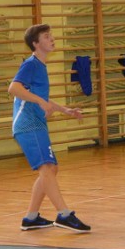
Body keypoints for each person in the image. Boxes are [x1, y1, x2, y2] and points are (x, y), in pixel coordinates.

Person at [9, 24, 91, 233]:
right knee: (46, 168)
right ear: (36, 44)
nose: (51, 39)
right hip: (28, 124)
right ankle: (64, 214)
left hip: (35, 123)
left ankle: (31, 217)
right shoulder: (31, 65)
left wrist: (66, 110)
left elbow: (42, 99)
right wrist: (40, 101)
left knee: (51, 169)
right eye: (46, 37)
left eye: (51, 36)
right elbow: (14, 88)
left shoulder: (40, 66)